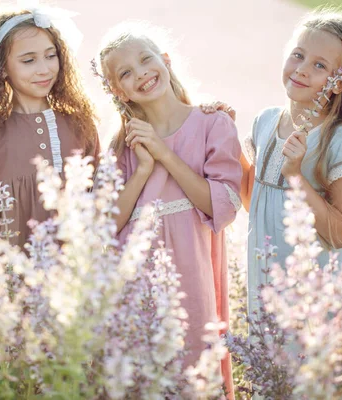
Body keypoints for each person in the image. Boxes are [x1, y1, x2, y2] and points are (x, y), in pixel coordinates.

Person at [95, 24, 242, 397]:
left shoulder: (213, 123)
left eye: (146, 59)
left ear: (165, 60)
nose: (141, 73)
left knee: (193, 370)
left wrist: (163, 154)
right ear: (117, 90)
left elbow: (221, 206)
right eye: (125, 73)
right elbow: (106, 225)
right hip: (136, 283)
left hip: (192, 276)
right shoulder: (122, 147)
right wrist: (144, 168)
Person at [239, 10, 342, 319]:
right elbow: (255, 202)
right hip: (272, 289)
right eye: (297, 55)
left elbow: (341, 233)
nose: (301, 69)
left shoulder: (340, 141)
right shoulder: (265, 122)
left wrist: (295, 177)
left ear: (340, 83)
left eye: (319, 65)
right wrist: (220, 132)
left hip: (324, 301)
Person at [0, 4, 100, 248]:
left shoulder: (79, 123)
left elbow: (101, 204)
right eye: (29, 60)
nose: (44, 69)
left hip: (78, 274)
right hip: (16, 277)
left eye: (50, 55)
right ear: (2, 68)